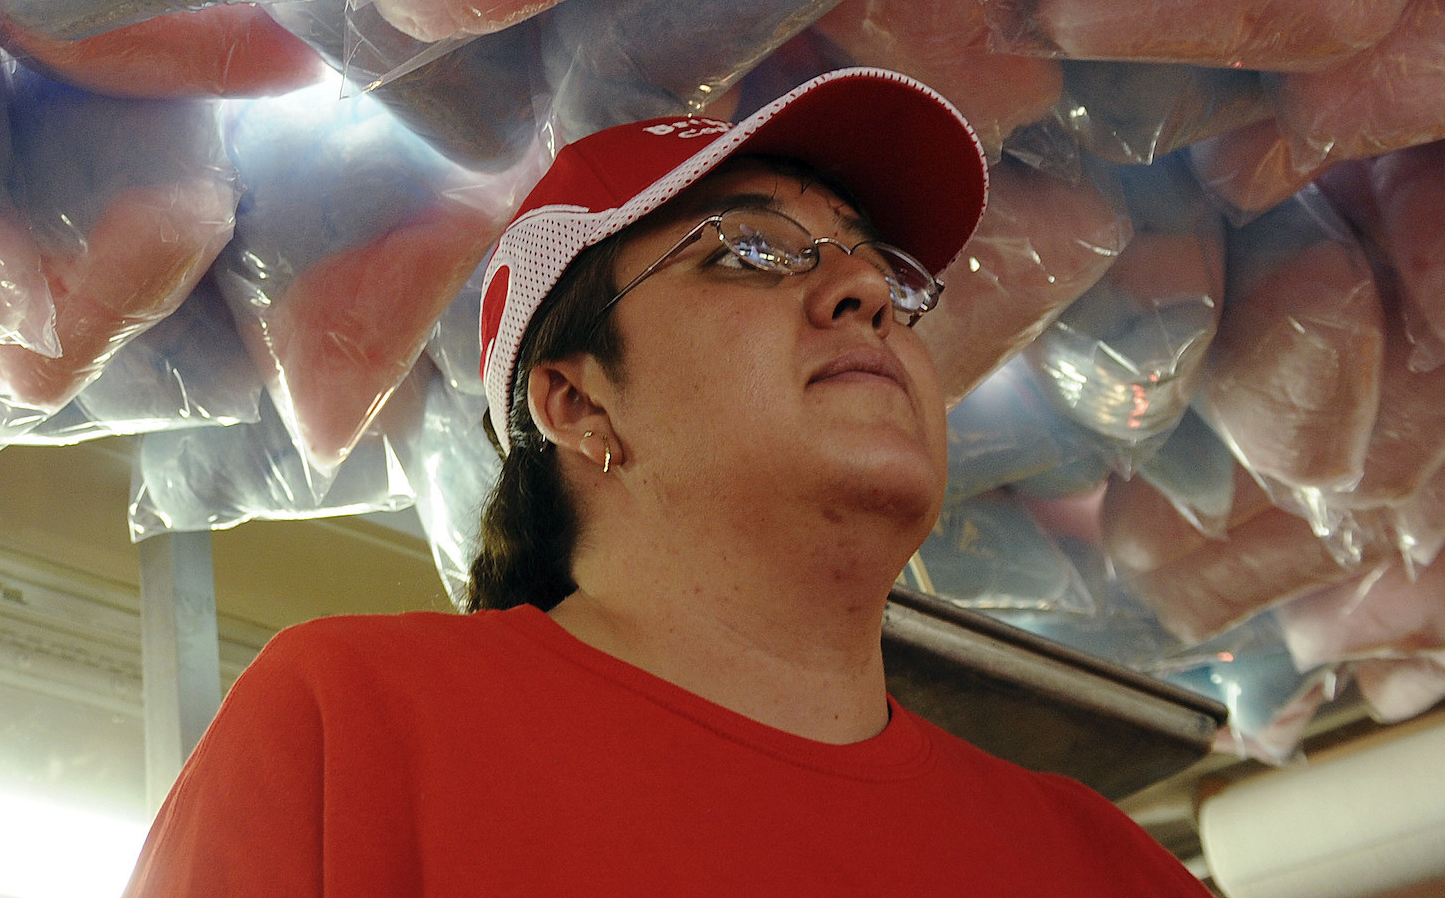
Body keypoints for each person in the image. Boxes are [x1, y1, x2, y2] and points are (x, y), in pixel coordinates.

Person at [121, 66, 1206, 897]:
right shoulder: (352, 723)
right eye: (749, 250)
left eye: (885, 272)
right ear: (578, 404)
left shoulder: (1104, 862)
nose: (866, 288)